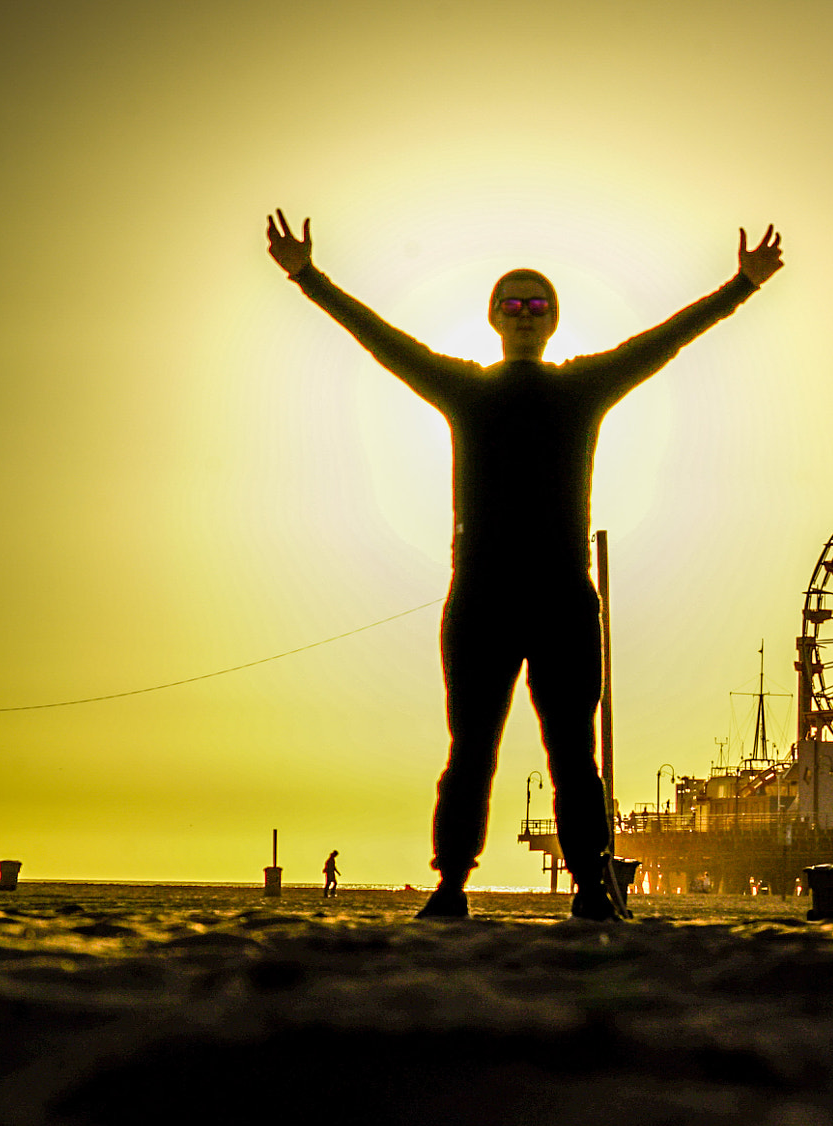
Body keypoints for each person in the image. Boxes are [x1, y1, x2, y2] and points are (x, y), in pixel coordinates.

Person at [266, 210, 783, 921]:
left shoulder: (582, 387)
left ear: (555, 320)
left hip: (563, 602)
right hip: (480, 599)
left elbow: (666, 341)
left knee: (572, 754)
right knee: (470, 750)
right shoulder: (465, 389)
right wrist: (308, 277)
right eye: (512, 304)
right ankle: (450, 885)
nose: (525, 314)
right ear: (492, 318)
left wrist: (741, 286)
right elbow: (380, 340)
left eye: (537, 304)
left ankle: (594, 885)